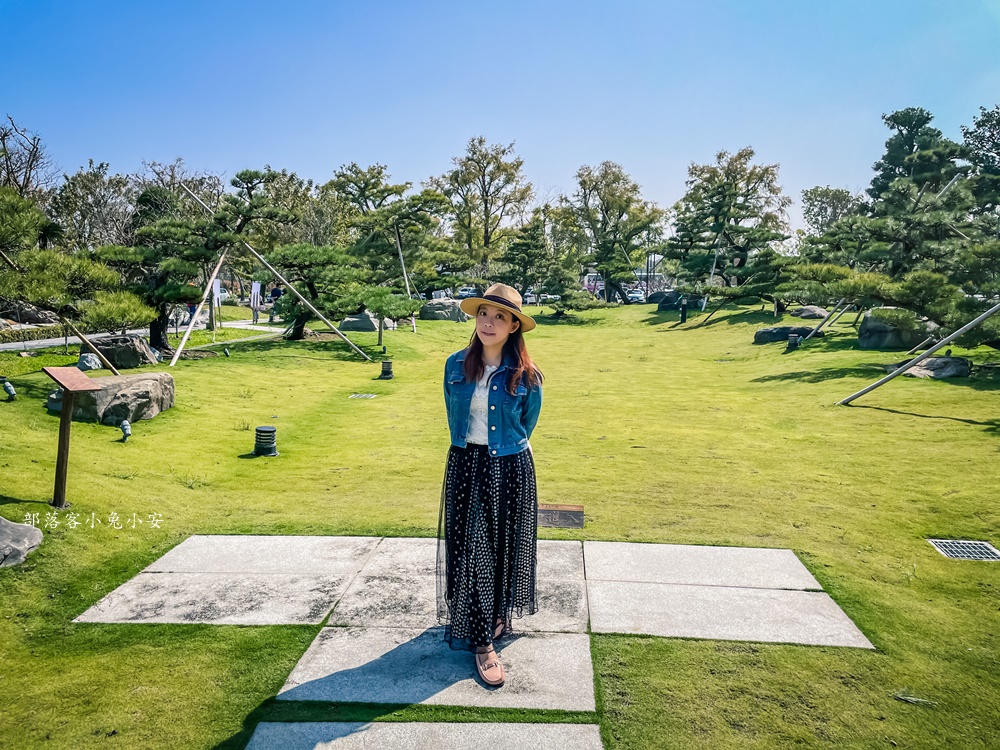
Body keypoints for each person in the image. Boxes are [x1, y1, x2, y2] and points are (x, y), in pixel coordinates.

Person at [436, 283, 543, 687]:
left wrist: (502, 447)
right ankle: (483, 644)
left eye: (500, 316)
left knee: (502, 547)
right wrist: (474, 450)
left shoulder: (527, 375)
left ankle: (495, 614)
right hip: (466, 462)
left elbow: (526, 423)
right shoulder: (455, 365)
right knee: (472, 548)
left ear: (514, 325)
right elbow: (453, 414)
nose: (489, 322)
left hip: (511, 464)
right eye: (484, 313)